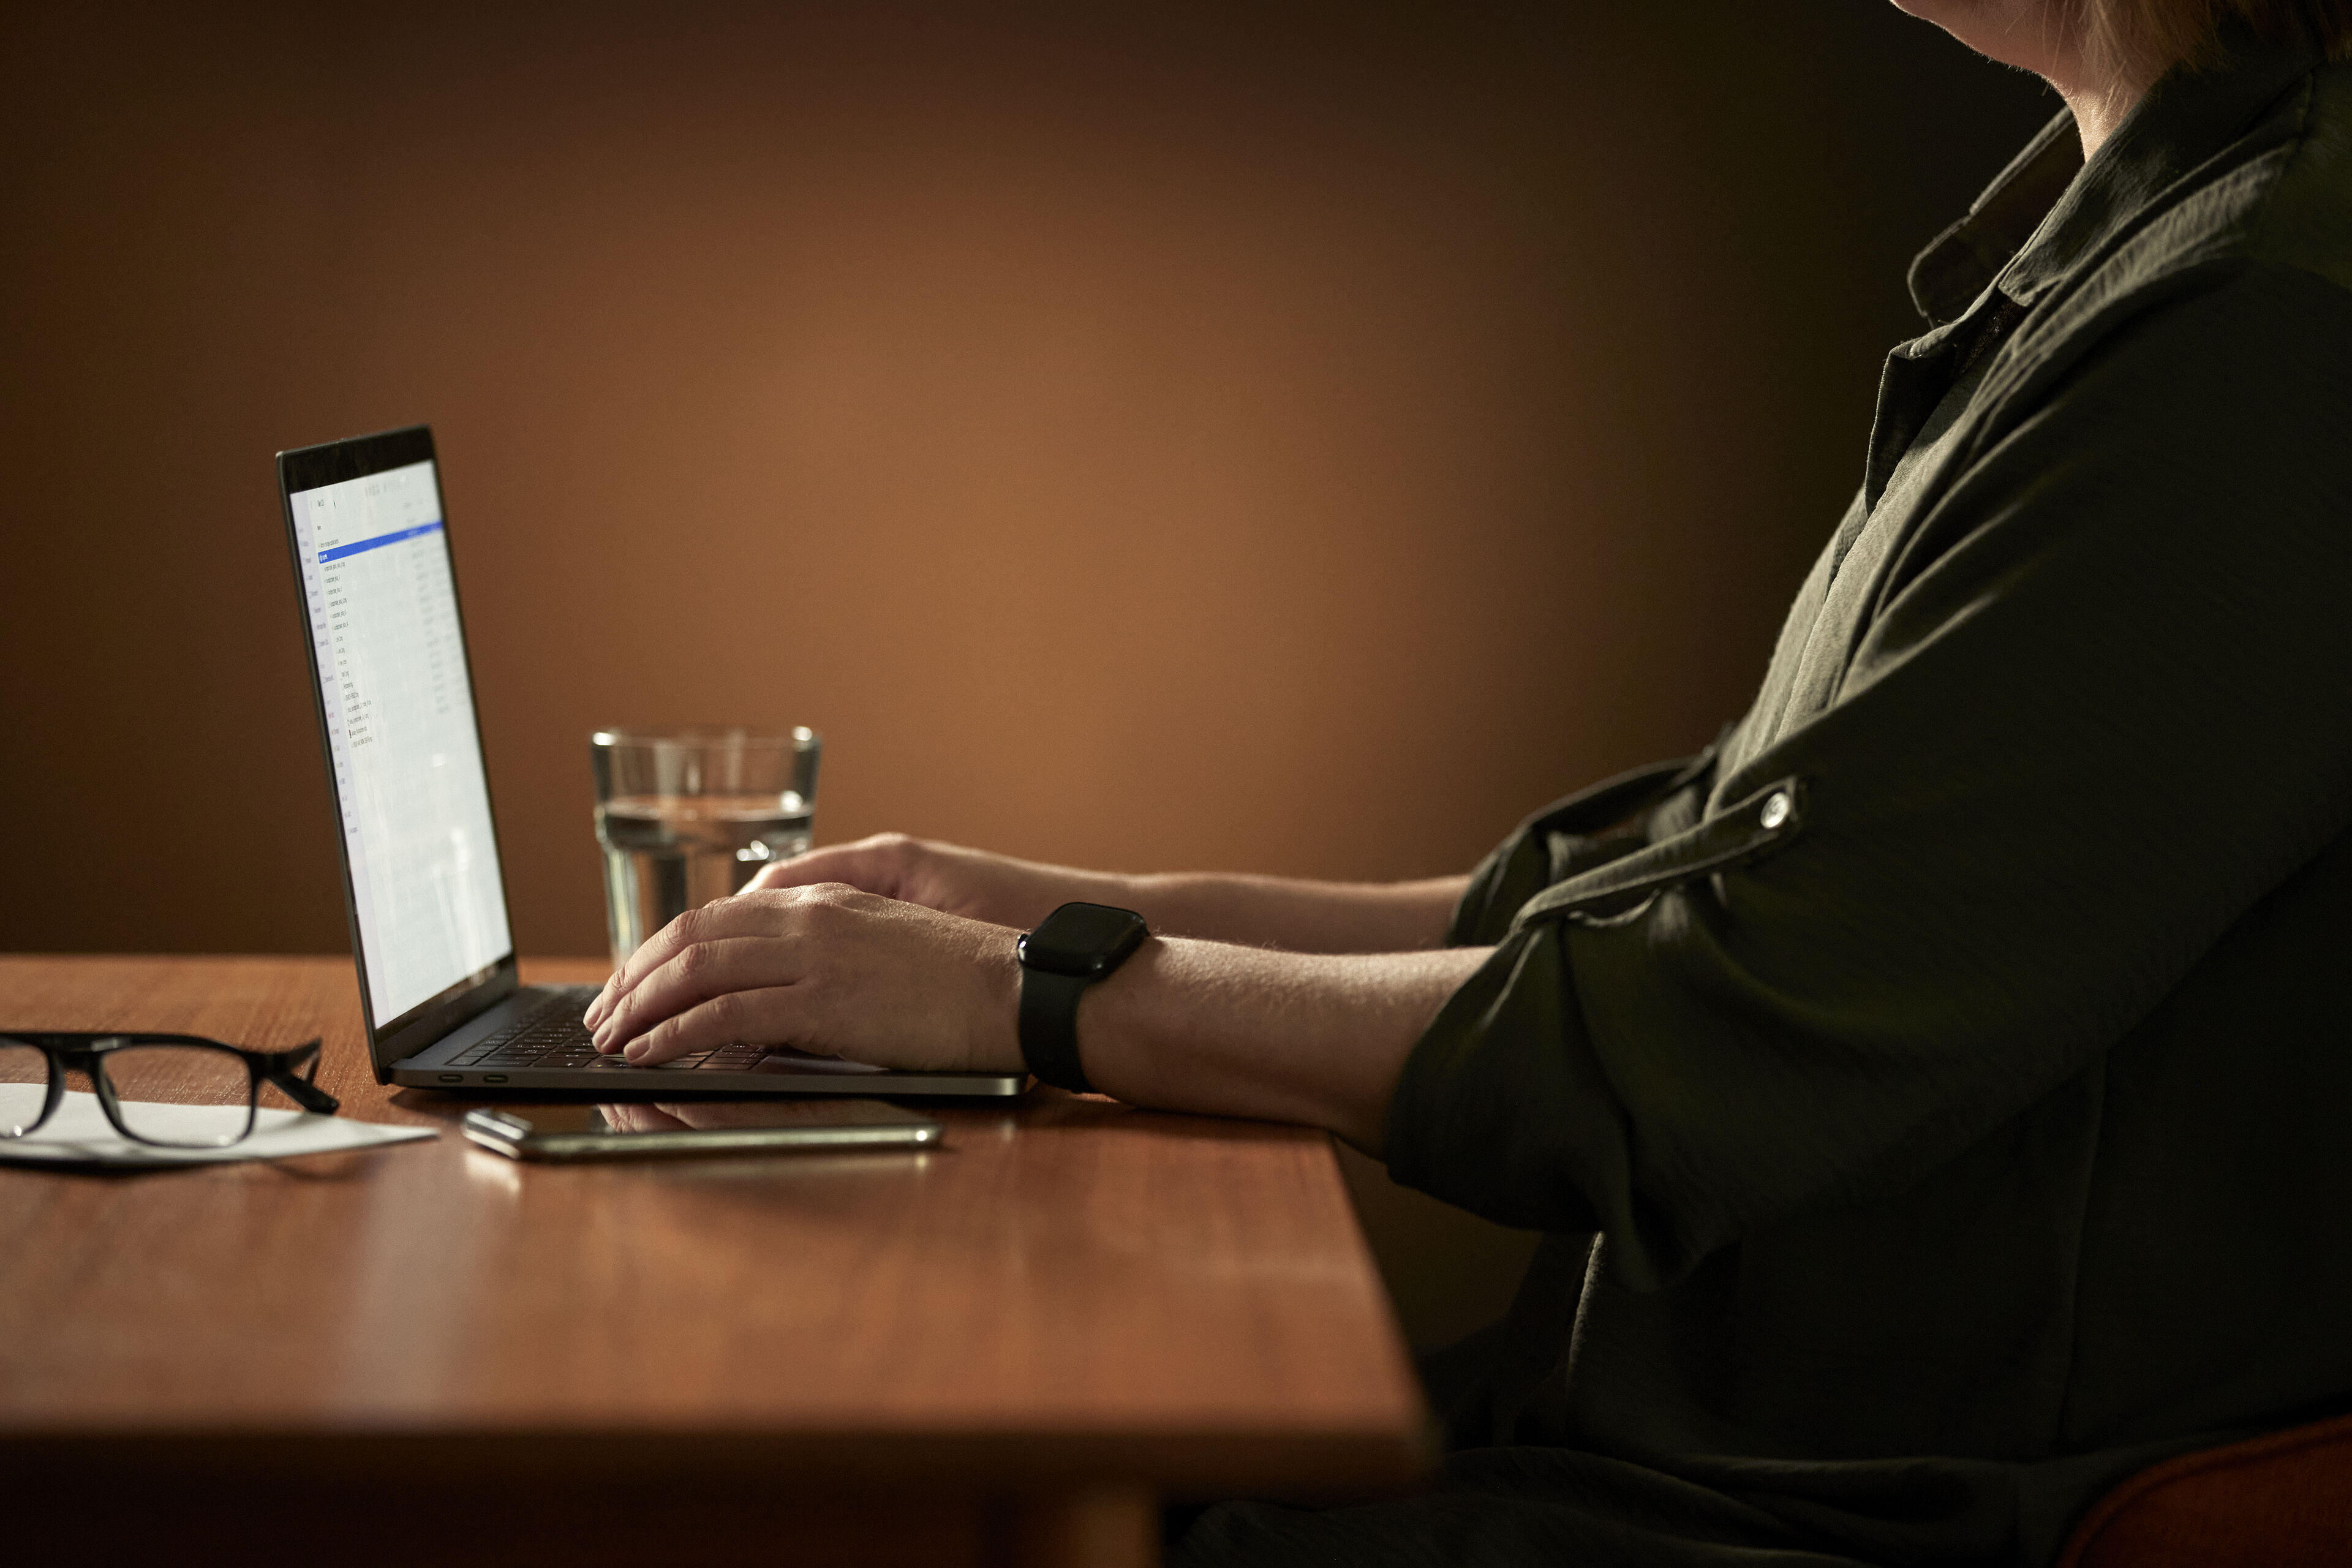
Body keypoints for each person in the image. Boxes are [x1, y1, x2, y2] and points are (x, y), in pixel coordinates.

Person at [584, 1, 2352, 1561]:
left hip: (1851, 1503)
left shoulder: (2258, 329)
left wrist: (1037, 999)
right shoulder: (2127, 261)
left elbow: (1722, 1036)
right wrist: (1049, 924)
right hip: (1693, 1436)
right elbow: (1664, 875)